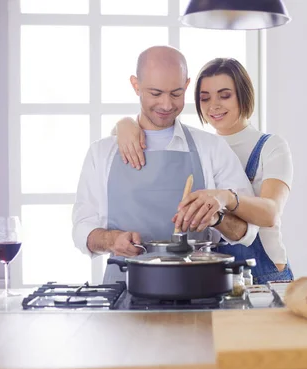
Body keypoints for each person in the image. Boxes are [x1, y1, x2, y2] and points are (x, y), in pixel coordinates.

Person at [72, 47, 258, 284]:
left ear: (187, 85)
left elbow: (247, 232)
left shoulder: (212, 148)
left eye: (176, 93)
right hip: (123, 292)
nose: (166, 104)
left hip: (197, 291)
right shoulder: (102, 152)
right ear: (135, 85)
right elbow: (81, 229)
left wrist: (217, 218)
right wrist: (111, 240)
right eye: (156, 93)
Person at [113, 58, 294, 285]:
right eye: (205, 98)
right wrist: (124, 123)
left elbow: (271, 213)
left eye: (225, 95)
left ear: (244, 94)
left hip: (263, 273)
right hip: (217, 274)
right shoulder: (201, 147)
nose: (213, 106)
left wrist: (225, 197)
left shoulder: (271, 146)